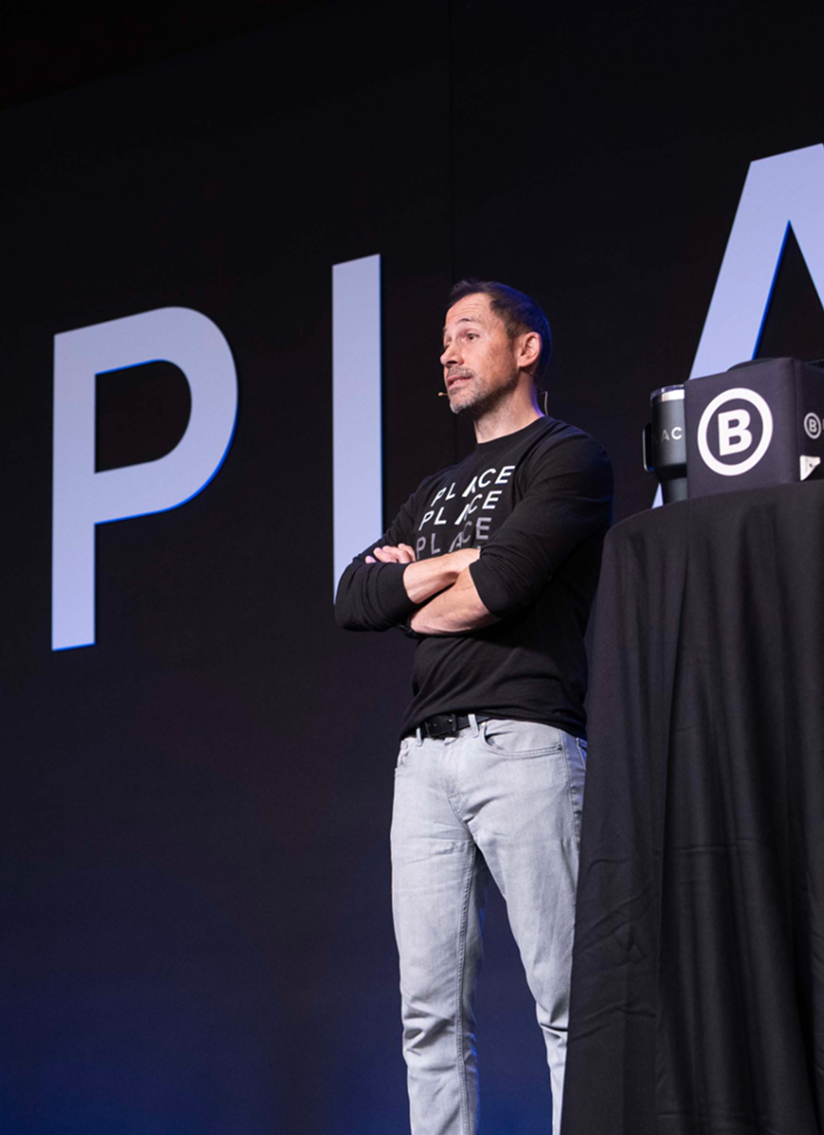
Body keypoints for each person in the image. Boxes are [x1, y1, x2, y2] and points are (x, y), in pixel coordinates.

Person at [334, 281, 613, 1135]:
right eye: (442, 342)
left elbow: (496, 588)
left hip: (524, 742)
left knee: (569, 1002)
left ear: (525, 348)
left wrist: (422, 580)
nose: (447, 355)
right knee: (429, 1018)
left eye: (467, 334)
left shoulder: (567, 457)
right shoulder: (435, 485)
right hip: (423, 762)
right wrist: (443, 574)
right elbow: (355, 595)